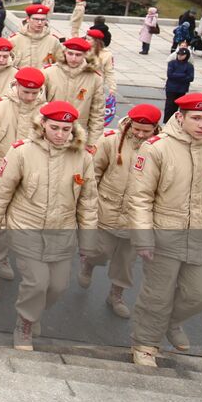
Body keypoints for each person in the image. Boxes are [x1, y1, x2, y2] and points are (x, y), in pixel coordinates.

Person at [127, 93, 202, 367]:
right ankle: (145, 344)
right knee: (157, 295)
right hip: (164, 235)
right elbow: (140, 198)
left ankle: (171, 321)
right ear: (180, 117)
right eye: (196, 118)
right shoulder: (156, 148)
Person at [0, 100, 99, 351]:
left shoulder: (83, 158)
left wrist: (88, 242)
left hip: (62, 232)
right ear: (42, 124)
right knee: (36, 282)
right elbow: (2, 193)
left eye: (66, 129)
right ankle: (24, 324)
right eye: (54, 127)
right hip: (26, 226)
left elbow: (88, 203)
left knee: (57, 286)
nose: (60, 134)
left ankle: (32, 312)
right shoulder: (21, 152)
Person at [0, 67, 48, 295]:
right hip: (0, 172)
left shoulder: (45, 112)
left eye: (35, 93)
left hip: (31, 179)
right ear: (16, 86)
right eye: (26, 92)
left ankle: (3, 258)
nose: (31, 97)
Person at [80, 103, 162, 319]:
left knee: (126, 263)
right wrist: (88, 203)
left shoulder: (161, 148)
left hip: (137, 217)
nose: (141, 134)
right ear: (129, 123)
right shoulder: (110, 141)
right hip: (107, 207)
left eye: (147, 131)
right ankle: (88, 266)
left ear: (156, 128)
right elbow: (93, 172)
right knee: (98, 251)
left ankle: (116, 295)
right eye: (137, 129)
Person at [42, 38, 104, 139]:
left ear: (85, 55)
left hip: (77, 134)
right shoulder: (49, 73)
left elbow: (97, 113)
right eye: (70, 54)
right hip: (51, 132)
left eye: (78, 55)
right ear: (64, 53)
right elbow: (39, 104)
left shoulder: (95, 78)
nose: (73, 58)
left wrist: (93, 142)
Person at [11, 4, 60, 69]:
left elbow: (59, 64)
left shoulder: (54, 41)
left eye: (43, 20)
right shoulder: (14, 40)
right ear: (28, 19)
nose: (39, 23)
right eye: (36, 19)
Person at [163, 47, 194, 122]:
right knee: (169, 106)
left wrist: (177, 75)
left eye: (182, 55)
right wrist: (183, 75)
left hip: (181, 89)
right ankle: (166, 121)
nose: (180, 56)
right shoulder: (172, 63)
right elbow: (170, 75)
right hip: (171, 88)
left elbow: (190, 78)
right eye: (179, 54)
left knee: (179, 106)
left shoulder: (189, 66)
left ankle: (176, 121)